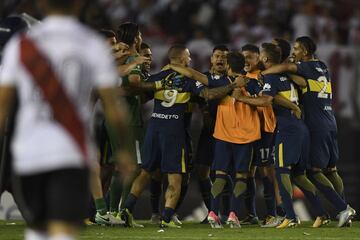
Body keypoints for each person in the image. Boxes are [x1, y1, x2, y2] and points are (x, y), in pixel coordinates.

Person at [0, 1, 135, 240]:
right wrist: (124, 150)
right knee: (63, 231)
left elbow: (3, 105)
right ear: (78, 5)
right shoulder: (92, 46)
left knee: (38, 230)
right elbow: (114, 107)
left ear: (41, 4)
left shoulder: (21, 45)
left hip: (29, 153)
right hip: (70, 152)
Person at [120, 44, 246, 228]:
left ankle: (127, 208)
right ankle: (167, 217)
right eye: (188, 57)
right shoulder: (188, 79)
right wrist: (233, 85)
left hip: (154, 127)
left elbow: (139, 88)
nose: (190, 60)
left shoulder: (160, 75)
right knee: (176, 177)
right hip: (174, 131)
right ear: (181, 59)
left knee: (146, 171)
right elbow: (208, 94)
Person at [259, 37, 356, 227]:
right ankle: (341, 211)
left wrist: (264, 73)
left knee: (313, 171)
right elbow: (302, 83)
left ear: (305, 51)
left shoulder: (303, 66)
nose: (293, 52)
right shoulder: (322, 66)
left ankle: (343, 208)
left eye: (296, 49)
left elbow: (284, 69)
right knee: (331, 169)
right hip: (330, 120)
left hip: (315, 124)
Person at [234, 43, 331, 228]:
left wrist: (240, 98)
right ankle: (323, 212)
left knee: (281, 171)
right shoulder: (289, 76)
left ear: (266, 60)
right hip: (301, 127)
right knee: (298, 175)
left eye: (261, 56)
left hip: (287, 129)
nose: (260, 59)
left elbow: (266, 100)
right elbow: (295, 87)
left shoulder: (271, 76)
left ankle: (290, 216)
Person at [241, 44, 276, 226]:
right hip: (247, 130)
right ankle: (251, 214)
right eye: (243, 57)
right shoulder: (241, 78)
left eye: (249, 57)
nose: (245, 61)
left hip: (264, 130)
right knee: (247, 172)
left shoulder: (265, 78)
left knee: (266, 172)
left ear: (259, 59)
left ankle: (273, 213)